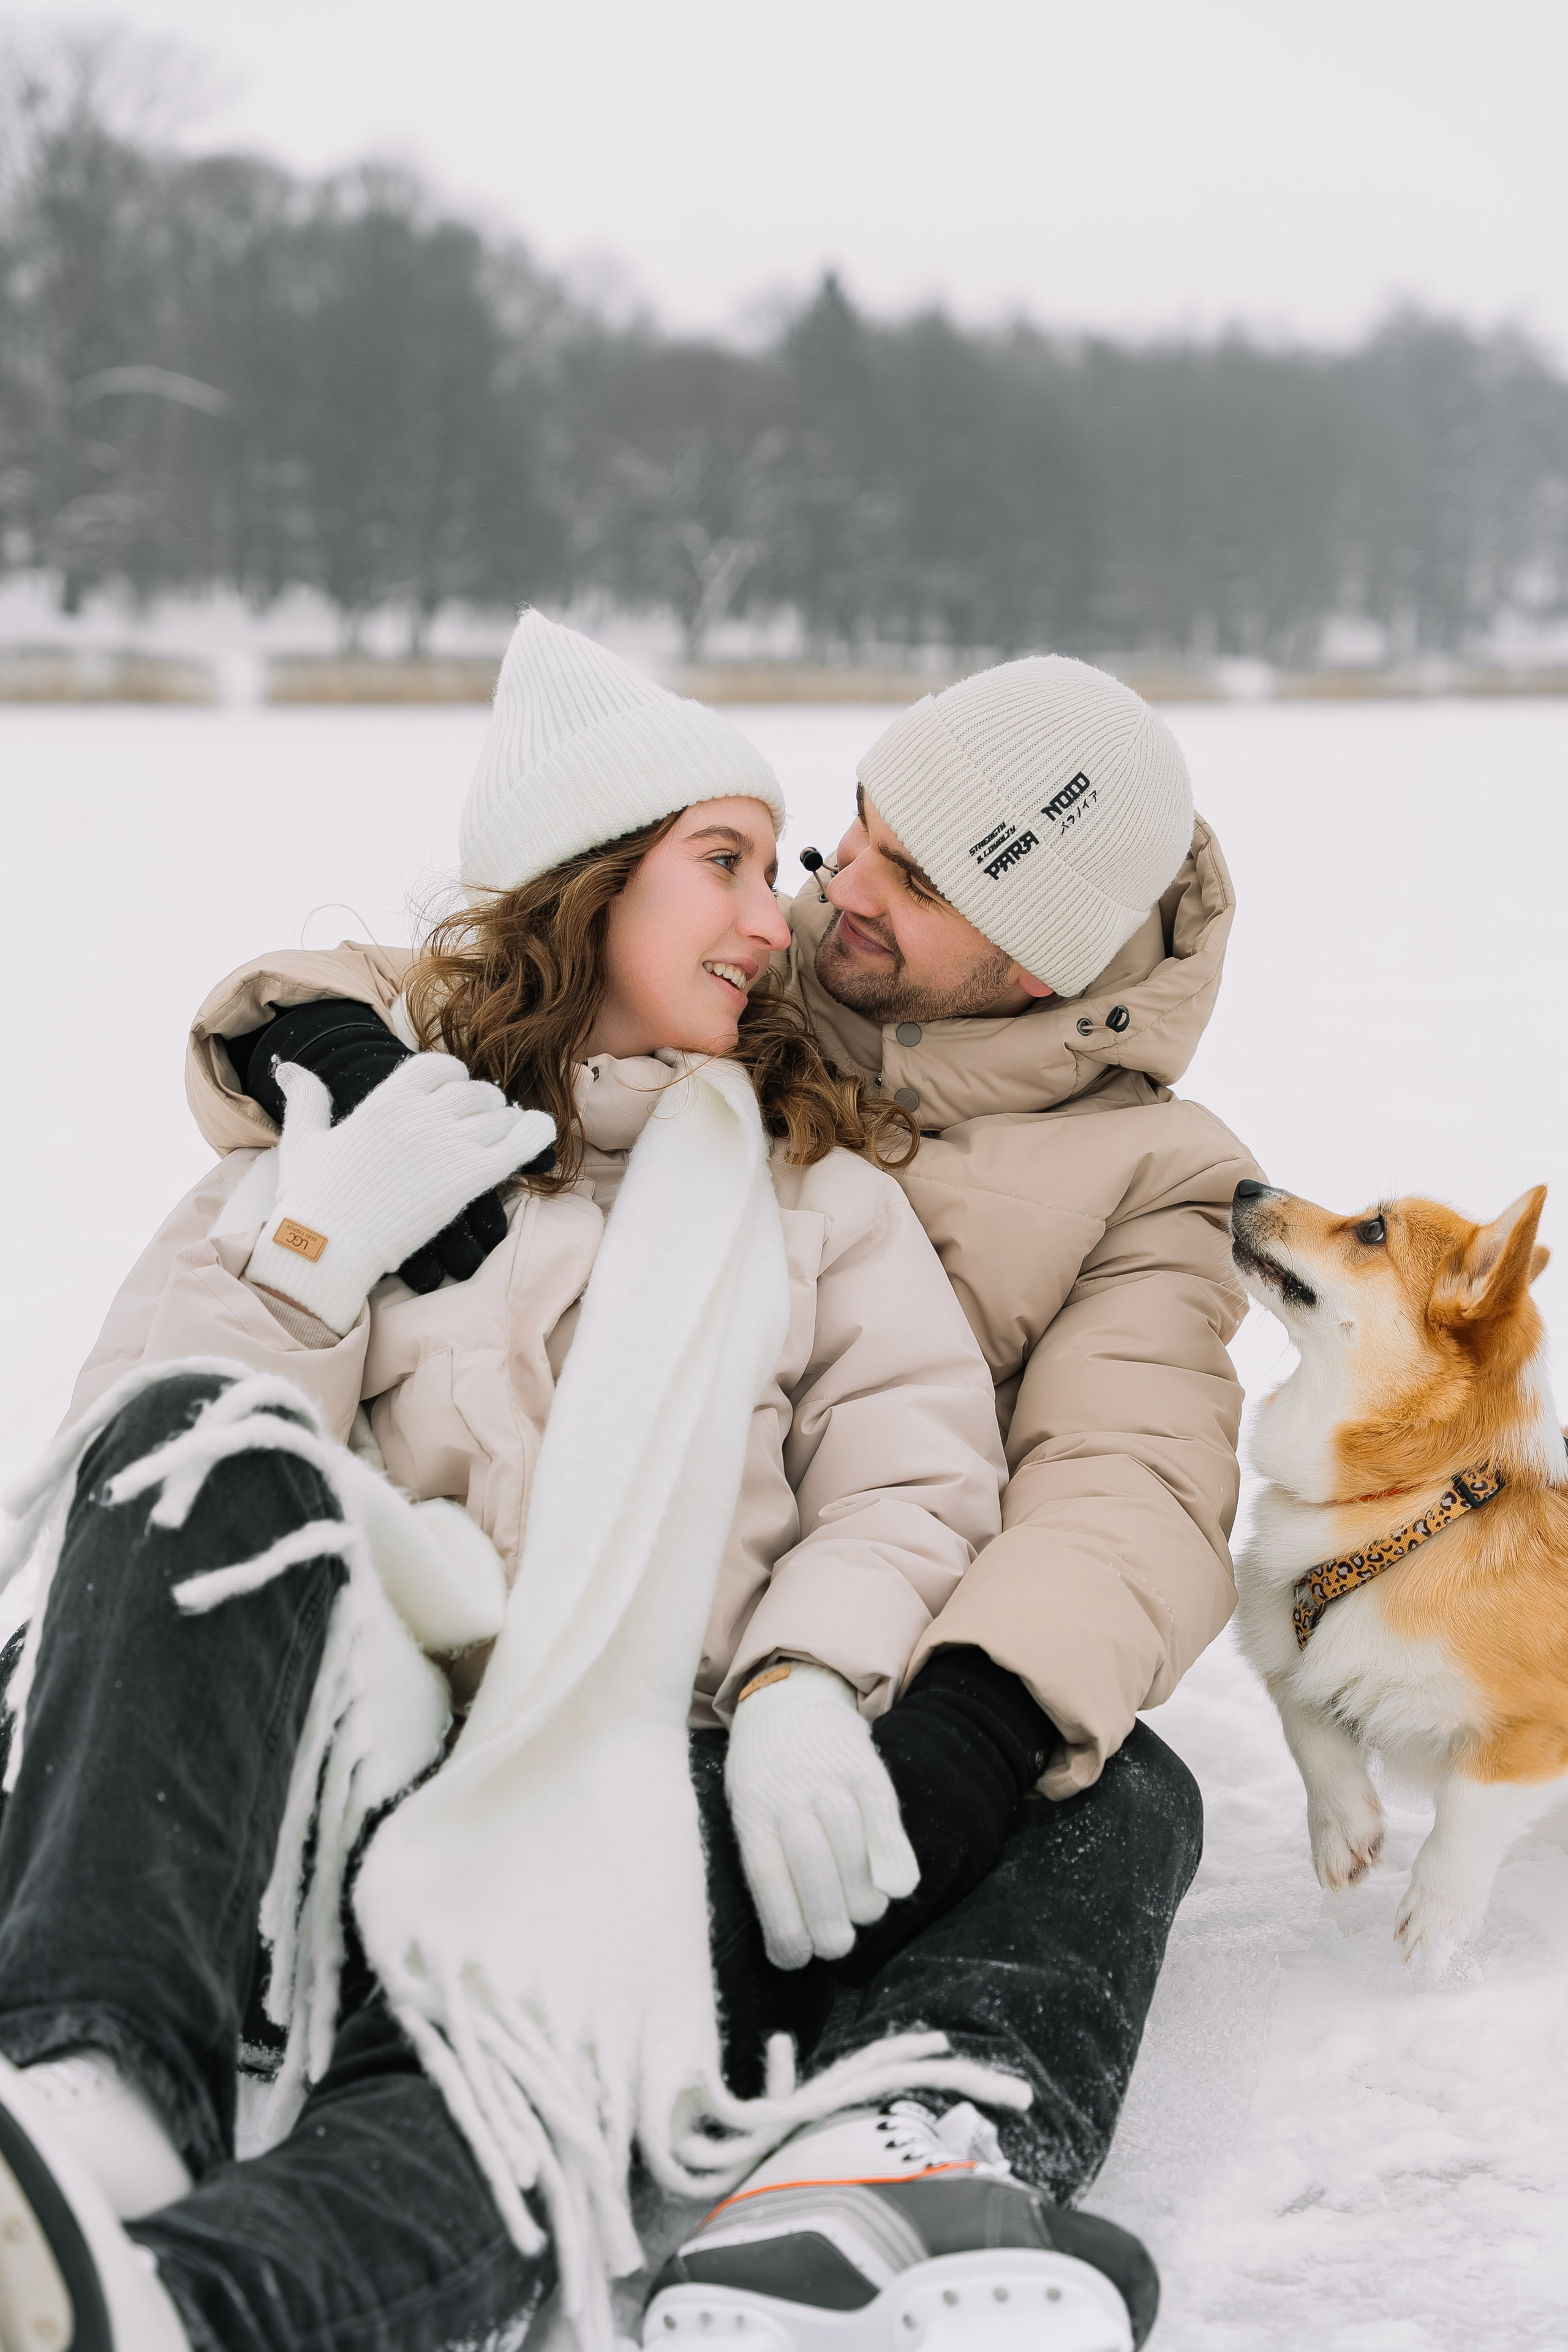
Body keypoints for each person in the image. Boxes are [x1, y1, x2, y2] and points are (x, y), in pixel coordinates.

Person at [0, 617, 1172, 2352]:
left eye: (776, 866)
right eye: (728, 862)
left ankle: (181, 2311)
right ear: (587, 880)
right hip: (324, 1768)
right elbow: (153, 1462)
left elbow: (914, 1482)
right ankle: (87, 2087)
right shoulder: (358, 1126)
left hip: (624, 1786)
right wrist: (318, 1249)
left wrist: (798, 1681)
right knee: (209, 1443)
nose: (781, 920)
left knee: (526, 2059)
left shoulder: (817, 1197)